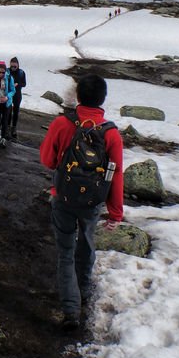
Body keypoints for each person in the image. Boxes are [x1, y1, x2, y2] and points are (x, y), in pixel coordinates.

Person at [39, 73, 124, 330]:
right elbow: (116, 173)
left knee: (65, 253)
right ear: (103, 99)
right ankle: (84, 290)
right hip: (92, 203)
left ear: (78, 96)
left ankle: (70, 311)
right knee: (86, 244)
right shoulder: (110, 134)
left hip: (63, 197)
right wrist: (115, 212)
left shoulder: (62, 124)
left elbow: (47, 160)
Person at [7, 56, 26, 139]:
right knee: (8, 111)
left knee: (16, 111)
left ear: (18, 65)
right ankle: (7, 127)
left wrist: (18, 84)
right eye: (12, 66)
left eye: (15, 66)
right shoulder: (7, 72)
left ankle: (13, 128)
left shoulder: (21, 73)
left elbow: (24, 84)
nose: (13, 68)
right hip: (9, 94)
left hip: (17, 94)